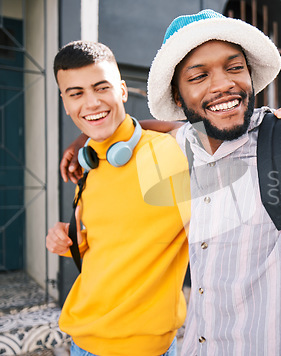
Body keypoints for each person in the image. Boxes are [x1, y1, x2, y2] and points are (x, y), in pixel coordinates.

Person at [144, 9, 281, 355]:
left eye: (234, 68)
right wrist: (86, 143)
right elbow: (168, 128)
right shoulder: (180, 148)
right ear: (177, 97)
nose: (222, 84)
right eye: (199, 76)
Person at [46, 41, 190, 356]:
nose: (91, 103)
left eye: (102, 88)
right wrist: (67, 239)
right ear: (65, 103)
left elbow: (219, 134)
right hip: (81, 341)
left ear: (122, 90)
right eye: (76, 94)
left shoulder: (163, 153)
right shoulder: (88, 163)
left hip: (143, 348)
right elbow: (105, 247)